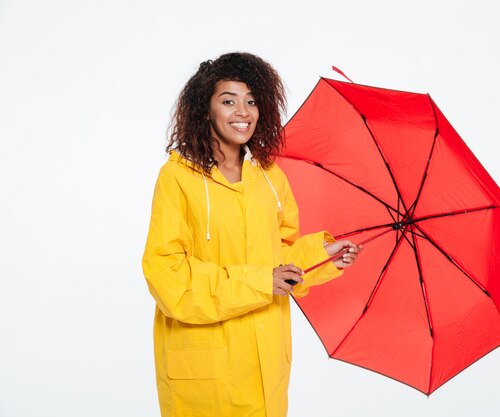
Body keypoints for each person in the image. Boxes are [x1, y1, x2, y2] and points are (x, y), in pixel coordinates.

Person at [142, 52, 362, 417]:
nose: (243, 112)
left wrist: (325, 254)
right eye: (228, 101)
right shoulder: (178, 178)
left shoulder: (269, 177)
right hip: (205, 371)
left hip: (267, 365)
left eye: (252, 101)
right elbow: (167, 277)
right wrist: (261, 282)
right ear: (205, 109)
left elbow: (282, 257)